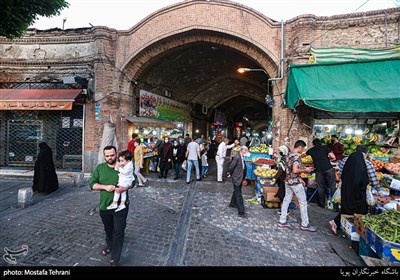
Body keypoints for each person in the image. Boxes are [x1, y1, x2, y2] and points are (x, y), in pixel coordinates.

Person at [90, 146, 132, 266]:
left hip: (121, 206)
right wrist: (105, 187)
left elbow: (132, 181)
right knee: (108, 230)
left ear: (116, 154)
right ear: (104, 156)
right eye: (107, 156)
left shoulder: (124, 165)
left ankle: (115, 259)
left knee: (119, 231)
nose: (110, 158)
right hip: (105, 206)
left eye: (112, 155)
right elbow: (92, 184)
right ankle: (109, 246)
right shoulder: (100, 168)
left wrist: (125, 188)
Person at [328, 145, 381, 235]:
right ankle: (357, 230)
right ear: (365, 153)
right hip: (359, 191)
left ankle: (339, 223)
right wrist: (378, 190)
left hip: (346, 189)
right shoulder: (367, 163)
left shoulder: (345, 160)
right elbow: (373, 178)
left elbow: (340, 174)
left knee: (347, 207)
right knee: (361, 210)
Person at [279, 140, 317, 232]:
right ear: (300, 147)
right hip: (295, 183)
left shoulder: (288, 155)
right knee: (303, 202)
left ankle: (282, 221)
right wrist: (305, 170)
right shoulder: (296, 157)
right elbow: (295, 170)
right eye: (303, 148)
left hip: (288, 181)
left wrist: (300, 179)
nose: (303, 150)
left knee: (286, 200)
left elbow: (290, 170)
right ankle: (305, 224)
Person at [306, 138, 336, 208]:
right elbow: (333, 157)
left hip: (319, 170)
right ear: (320, 143)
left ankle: (322, 204)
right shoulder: (325, 148)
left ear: (313, 144)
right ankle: (335, 204)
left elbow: (303, 156)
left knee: (320, 187)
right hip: (328, 168)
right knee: (332, 186)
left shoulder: (311, 150)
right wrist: (327, 159)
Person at [228, 146, 248, 218]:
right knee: (239, 195)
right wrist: (233, 175)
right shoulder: (237, 157)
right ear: (242, 151)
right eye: (246, 151)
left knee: (236, 191)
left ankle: (232, 203)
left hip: (240, 178)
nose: (246, 153)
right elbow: (231, 167)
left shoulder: (242, 157)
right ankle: (241, 212)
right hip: (237, 178)